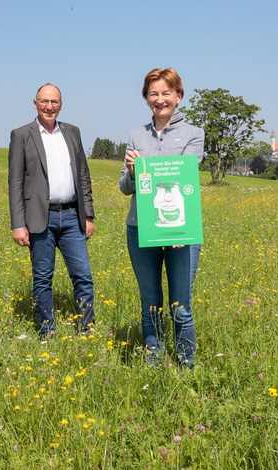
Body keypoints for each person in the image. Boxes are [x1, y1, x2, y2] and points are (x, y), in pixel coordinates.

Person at [119, 68, 205, 368]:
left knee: (181, 307)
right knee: (150, 305)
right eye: (153, 93)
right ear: (146, 99)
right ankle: (154, 364)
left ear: (178, 96)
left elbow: (183, 180)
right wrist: (132, 171)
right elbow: (125, 188)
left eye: (166, 93)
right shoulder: (135, 135)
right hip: (140, 228)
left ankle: (186, 365)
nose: (160, 99)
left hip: (180, 231)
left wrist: (147, 167)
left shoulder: (194, 134)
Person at [8, 83, 96, 339]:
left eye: (54, 102)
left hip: (72, 217)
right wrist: (18, 223)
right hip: (39, 217)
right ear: (34, 103)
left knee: (83, 276)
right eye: (44, 101)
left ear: (61, 104)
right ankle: (47, 332)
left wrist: (88, 214)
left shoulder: (72, 132)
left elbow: (83, 175)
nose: (49, 107)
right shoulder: (21, 135)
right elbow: (15, 182)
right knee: (43, 278)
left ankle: (87, 330)